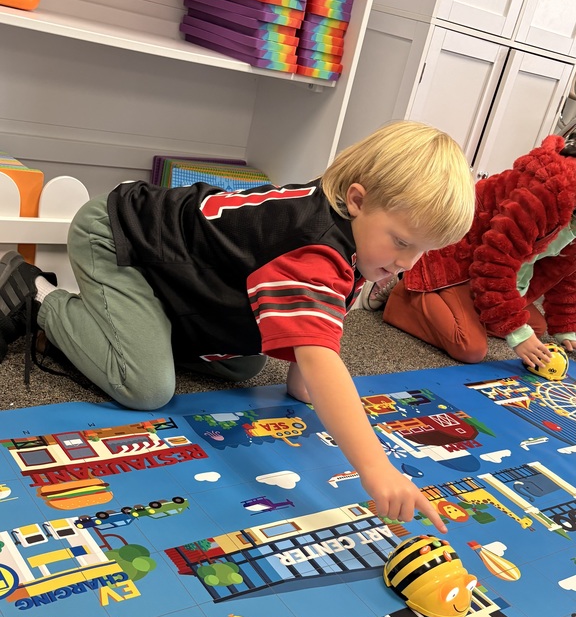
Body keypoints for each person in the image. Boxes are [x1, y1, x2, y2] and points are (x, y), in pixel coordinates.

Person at [0, 120, 475, 530]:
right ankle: (38, 295)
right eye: (401, 242)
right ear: (356, 200)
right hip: (120, 238)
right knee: (146, 388)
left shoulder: (355, 237)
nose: (407, 264)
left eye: (421, 252)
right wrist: (376, 468)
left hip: (185, 279)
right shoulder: (313, 246)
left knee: (244, 365)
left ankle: (131, 327)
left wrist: (307, 383)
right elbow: (323, 359)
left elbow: (317, 347)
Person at [364, 133, 576, 370]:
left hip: (496, 271)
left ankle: (464, 307)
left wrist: (566, 324)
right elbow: (495, 262)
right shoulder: (550, 192)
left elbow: (565, 274)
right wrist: (517, 333)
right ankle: (403, 295)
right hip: (455, 260)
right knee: (471, 347)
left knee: (535, 327)